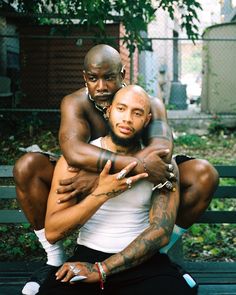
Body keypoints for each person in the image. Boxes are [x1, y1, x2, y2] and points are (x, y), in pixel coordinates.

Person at [13, 44, 219, 295]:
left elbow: (162, 151)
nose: (101, 86)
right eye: (93, 78)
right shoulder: (75, 102)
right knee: (28, 166)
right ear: (85, 78)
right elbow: (75, 152)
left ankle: (158, 255)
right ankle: (53, 260)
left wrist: (116, 175)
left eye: (109, 77)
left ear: (122, 74)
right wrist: (104, 185)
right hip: (94, 178)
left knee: (201, 173)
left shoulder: (150, 102)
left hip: (135, 182)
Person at [38, 85, 197, 294]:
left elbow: (160, 232)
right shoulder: (77, 161)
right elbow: (53, 232)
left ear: (147, 120)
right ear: (108, 111)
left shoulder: (160, 165)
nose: (128, 118)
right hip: (88, 254)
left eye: (137, 113)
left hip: (142, 259)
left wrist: (102, 269)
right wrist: (101, 192)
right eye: (121, 109)